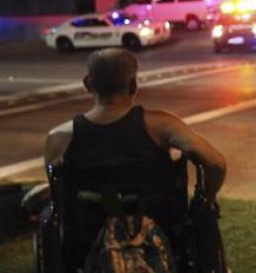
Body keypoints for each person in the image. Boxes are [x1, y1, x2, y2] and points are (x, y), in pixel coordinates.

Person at [44, 48, 227, 231]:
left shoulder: (59, 137)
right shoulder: (162, 125)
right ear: (133, 85)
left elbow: (58, 193)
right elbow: (216, 164)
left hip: (87, 234)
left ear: (88, 84)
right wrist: (207, 199)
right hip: (160, 228)